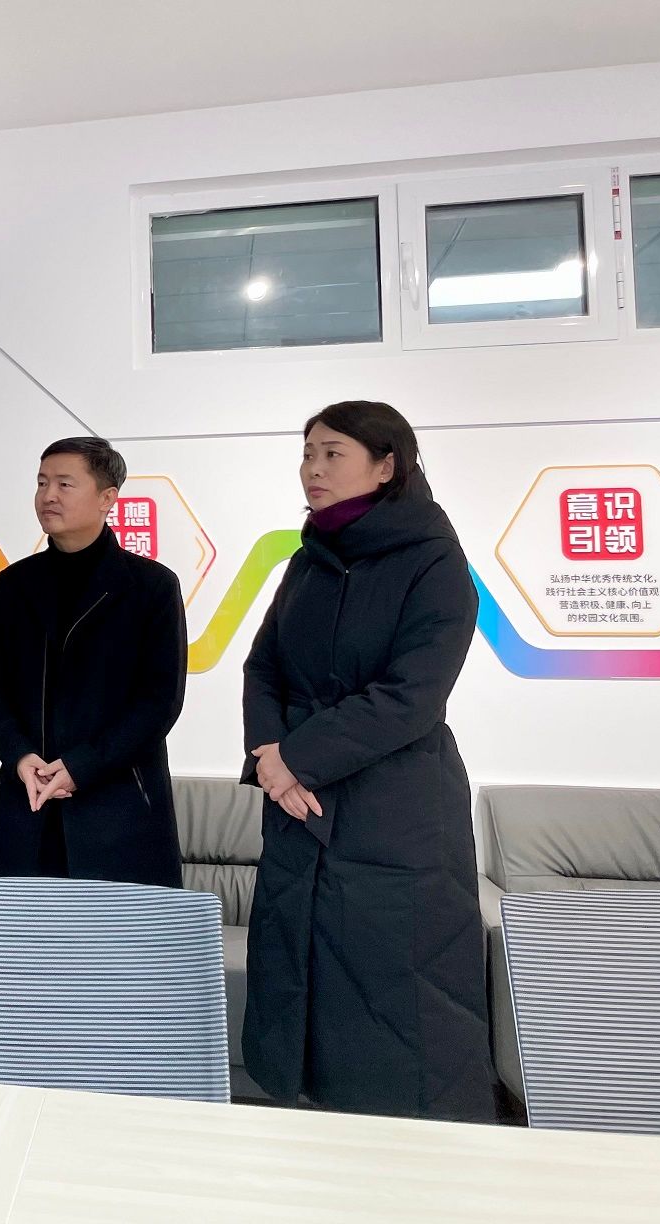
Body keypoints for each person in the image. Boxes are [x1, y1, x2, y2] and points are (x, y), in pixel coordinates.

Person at [240, 401, 491, 1120]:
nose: (312, 469)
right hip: (299, 808)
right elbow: (263, 668)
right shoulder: (306, 562)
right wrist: (270, 760)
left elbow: (413, 694)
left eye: (332, 454)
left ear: (386, 467)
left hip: (395, 806)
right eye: (307, 453)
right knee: (299, 984)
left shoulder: (434, 560)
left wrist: (297, 759)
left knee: (399, 992)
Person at [0, 436, 186, 886]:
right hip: (30, 801)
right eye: (42, 483)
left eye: (64, 484)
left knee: (120, 931)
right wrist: (18, 755)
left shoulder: (151, 586)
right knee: (27, 929)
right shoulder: (15, 584)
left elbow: (159, 701)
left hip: (119, 807)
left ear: (107, 498)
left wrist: (81, 766)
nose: (48, 495)